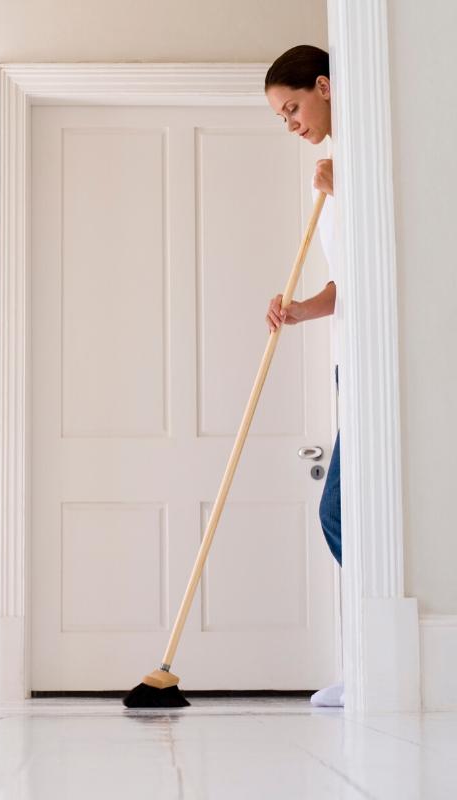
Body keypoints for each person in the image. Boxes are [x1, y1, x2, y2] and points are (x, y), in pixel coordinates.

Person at [264, 45, 343, 708]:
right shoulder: (336, 169)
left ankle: (377, 658)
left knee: (340, 512)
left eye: (292, 106)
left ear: (323, 85)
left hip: (376, 370)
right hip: (355, 364)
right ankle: (374, 659)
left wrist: (350, 190)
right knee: (349, 514)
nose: (289, 122)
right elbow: (346, 288)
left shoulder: (355, 162)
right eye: (281, 116)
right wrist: (298, 312)